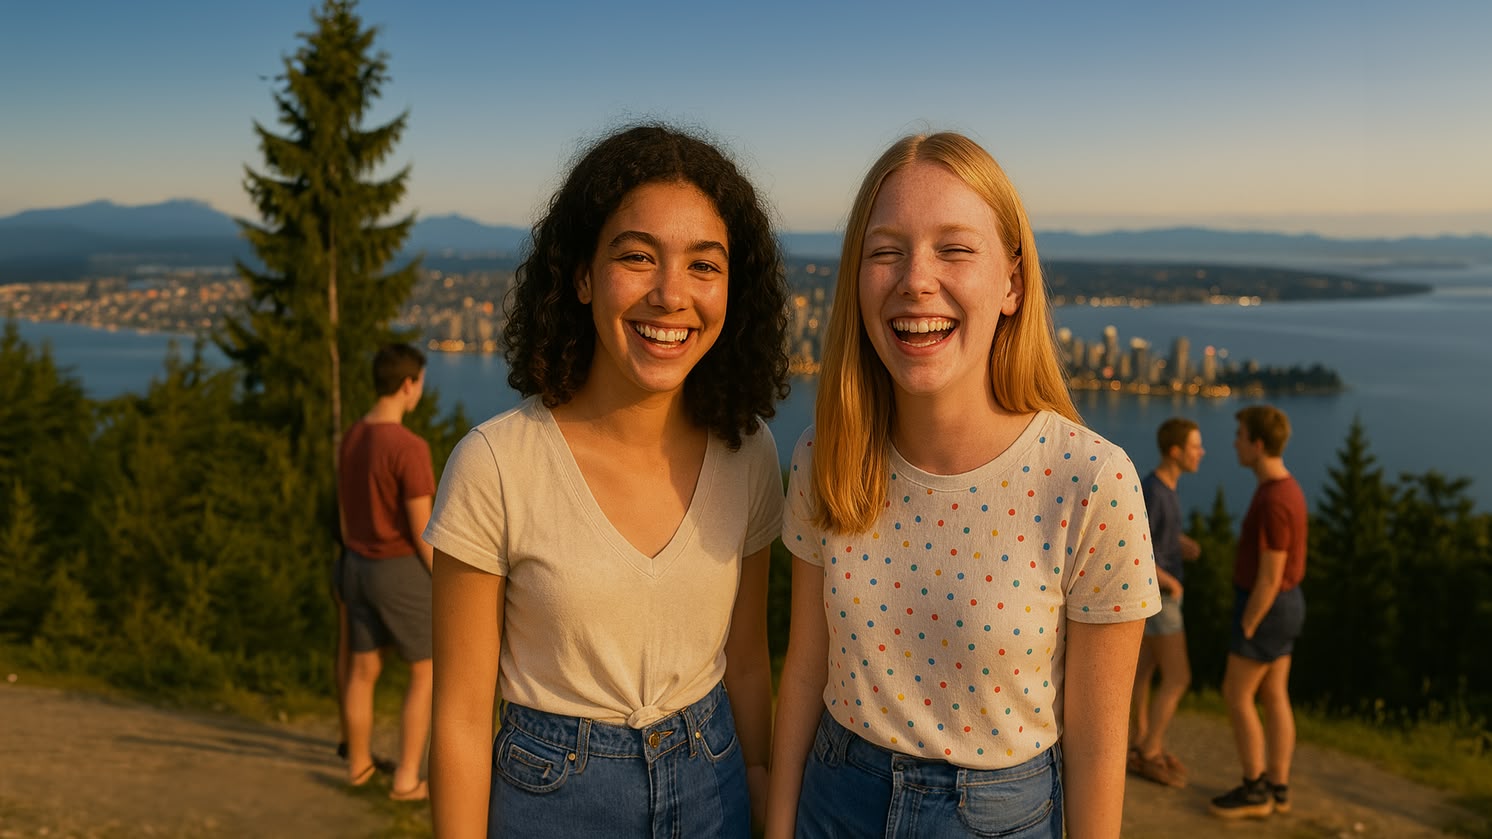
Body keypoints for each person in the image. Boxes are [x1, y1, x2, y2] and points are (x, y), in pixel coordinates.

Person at [767, 132, 1159, 839]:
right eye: (885, 251)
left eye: (954, 249)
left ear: (1012, 282)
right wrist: (779, 824)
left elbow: (1098, 742)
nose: (916, 279)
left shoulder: (1091, 483)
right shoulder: (826, 454)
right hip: (831, 802)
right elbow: (803, 669)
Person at [424, 123, 790, 838]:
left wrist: (763, 794)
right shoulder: (496, 465)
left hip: (715, 788)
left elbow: (747, 662)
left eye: (704, 266)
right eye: (637, 257)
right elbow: (462, 718)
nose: (670, 294)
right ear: (583, 276)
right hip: (552, 800)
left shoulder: (748, 451)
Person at [338, 342, 437, 801]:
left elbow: (344, 513)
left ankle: (358, 766)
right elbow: (422, 531)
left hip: (354, 564)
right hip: (397, 569)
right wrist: (447, 580)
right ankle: (405, 780)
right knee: (427, 671)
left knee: (363, 671)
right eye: (419, 383)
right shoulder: (408, 447)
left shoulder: (353, 435)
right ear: (407, 385)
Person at [1210, 404, 1307, 819]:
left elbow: (1271, 575)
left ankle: (1255, 788)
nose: (1235, 443)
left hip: (1266, 606)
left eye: (1241, 436)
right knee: (1273, 694)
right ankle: (1278, 786)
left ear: (1258, 444)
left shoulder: (1273, 500)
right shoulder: (1287, 489)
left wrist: (1248, 623)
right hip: (1287, 605)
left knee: (1236, 693)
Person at [1128, 417, 1204, 788]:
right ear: (1175, 452)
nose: (1201, 452)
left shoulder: (1164, 489)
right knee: (1178, 676)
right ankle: (1150, 749)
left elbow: (1156, 538)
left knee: (1142, 672)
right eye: (1194, 446)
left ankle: (1136, 742)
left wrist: (1179, 544)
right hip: (1161, 598)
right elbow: (1135, 546)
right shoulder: (1155, 491)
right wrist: (1170, 580)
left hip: (1158, 594)